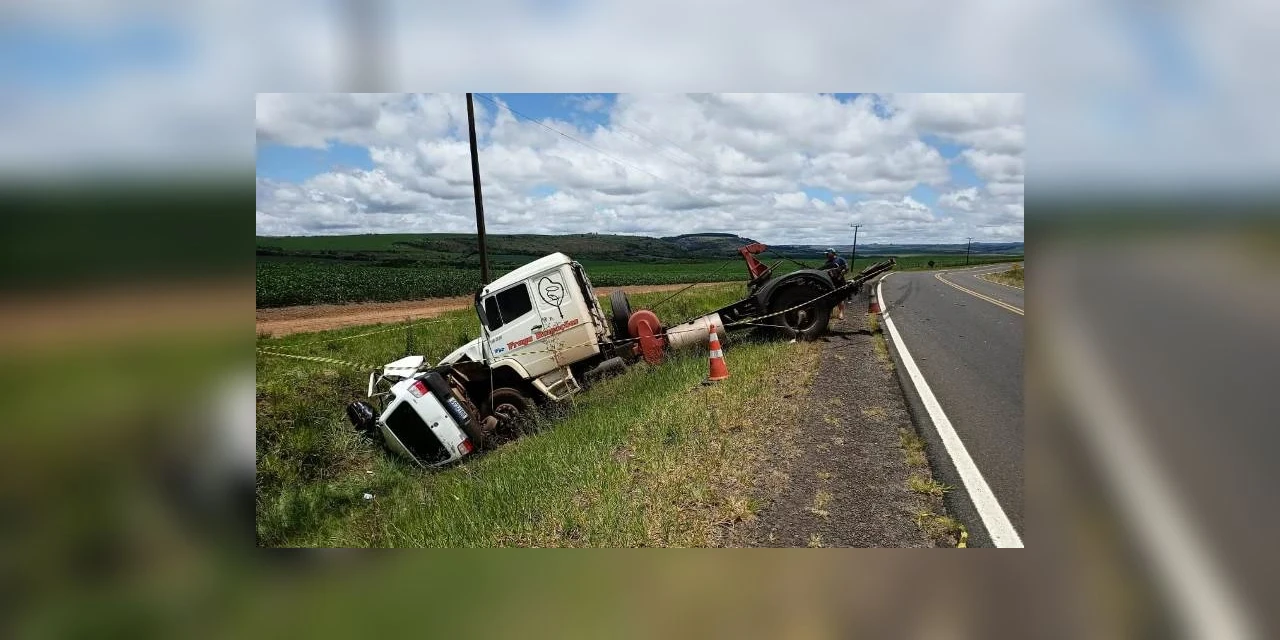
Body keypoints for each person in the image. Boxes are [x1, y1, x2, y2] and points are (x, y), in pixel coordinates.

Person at [821, 248, 849, 320]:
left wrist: (841, 274)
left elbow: (846, 268)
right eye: (826, 254)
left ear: (832, 253)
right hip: (830, 282)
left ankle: (841, 313)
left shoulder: (840, 260)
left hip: (840, 281)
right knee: (830, 297)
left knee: (840, 297)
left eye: (828, 253)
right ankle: (830, 313)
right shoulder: (827, 263)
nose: (826, 255)